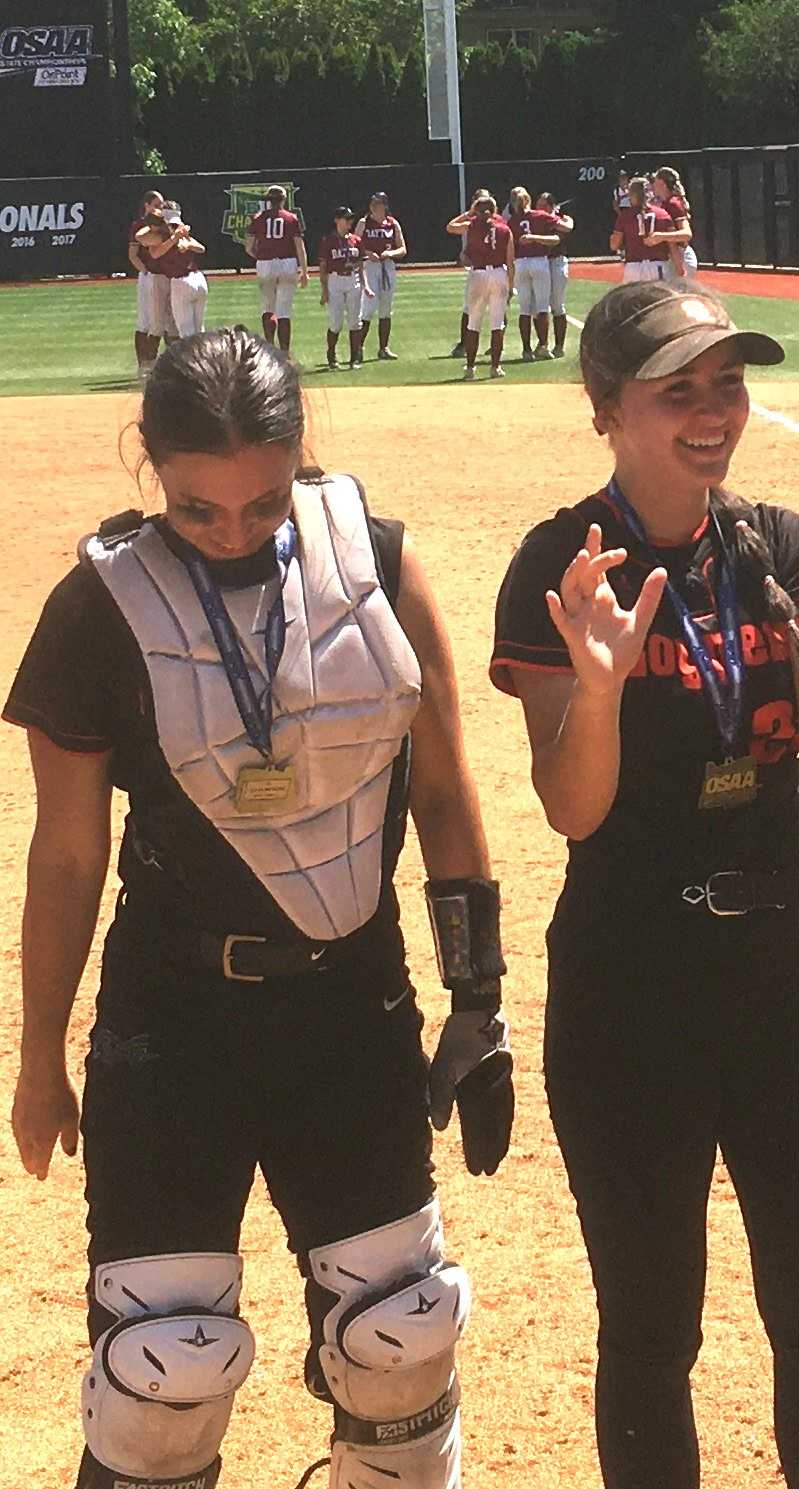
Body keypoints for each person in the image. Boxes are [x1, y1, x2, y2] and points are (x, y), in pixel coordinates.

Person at [5, 327, 514, 1489]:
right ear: (150, 465)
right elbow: (69, 853)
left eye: (263, 502)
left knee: (402, 1342)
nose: (231, 532)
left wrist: (476, 1000)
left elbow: (440, 784)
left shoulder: (375, 559)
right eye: (196, 508)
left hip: (351, 1007)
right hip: (173, 1021)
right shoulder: (98, 607)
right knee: (161, 1377)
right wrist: (41, 1057)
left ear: (302, 457)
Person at [489, 280, 799, 1489]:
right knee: (652, 1326)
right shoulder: (560, 564)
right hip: (632, 974)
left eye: (727, 383)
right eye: (678, 391)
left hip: (786, 963)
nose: (712, 413)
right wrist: (601, 686)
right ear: (607, 408)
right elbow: (573, 806)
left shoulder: (774, 542)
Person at [447, 189, 515, 381]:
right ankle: (495, 367)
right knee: (497, 324)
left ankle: (470, 368)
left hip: (478, 273)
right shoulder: (504, 228)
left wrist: (469, 212)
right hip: (498, 273)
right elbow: (510, 261)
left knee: (473, 323)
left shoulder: (472, 225)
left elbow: (451, 227)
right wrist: (510, 285)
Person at [245, 184, 309, 356]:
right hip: (287, 263)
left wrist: (259, 256)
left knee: (267, 308)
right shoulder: (291, 218)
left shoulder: (258, 218)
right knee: (284, 310)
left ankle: (269, 348)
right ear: (283, 200)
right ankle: (285, 352)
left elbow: (248, 247)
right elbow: (299, 246)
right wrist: (304, 269)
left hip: (265, 264)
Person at [508, 185, 564, 361]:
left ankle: (526, 349)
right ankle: (543, 346)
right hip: (539, 261)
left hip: (521, 263)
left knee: (525, 309)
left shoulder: (512, 221)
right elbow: (562, 231)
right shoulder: (540, 216)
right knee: (542, 306)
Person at [141, 200, 210, 342]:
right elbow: (149, 246)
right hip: (198, 280)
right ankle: (203, 360)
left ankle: (194, 362)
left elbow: (201, 248)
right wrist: (176, 239)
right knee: (199, 330)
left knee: (187, 333)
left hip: (183, 281)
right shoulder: (167, 235)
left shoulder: (176, 233)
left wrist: (187, 244)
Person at [357, 191, 408, 362]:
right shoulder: (364, 223)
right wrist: (368, 253)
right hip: (370, 266)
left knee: (386, 308)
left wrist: (390, 253)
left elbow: (403, 249)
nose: (374, 206)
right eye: (373, 203)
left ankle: (383, 348)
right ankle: (358, 347)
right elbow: (354, 245)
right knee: (368, 307)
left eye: (378, 203)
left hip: (387, 265)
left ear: (384, 205)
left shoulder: (392, 224)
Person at [316, 205, 369, 371]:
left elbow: (361, 266)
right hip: (335, 280)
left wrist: (365, 285)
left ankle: (355, 358)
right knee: (336, 322)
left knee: (355, 321)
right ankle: (332, 355)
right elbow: (323, 267)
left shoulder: (356, 240)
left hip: (353, 279)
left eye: (351, 219)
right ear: (337, 220)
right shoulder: (328, 241)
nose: (350, 222)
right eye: (346, 219)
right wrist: (324, 291)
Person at [128, 189, 173, 376]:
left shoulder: (165, 224)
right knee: (146, 322)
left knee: (169, 321)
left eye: (161, 205)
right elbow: (133, 255)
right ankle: (144, 366)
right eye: (155, 205)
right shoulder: (140, 225)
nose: (159, 209)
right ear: (146, 206)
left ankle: (170, 365)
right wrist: (145, 271)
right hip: (150, 275)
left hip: (168, 275)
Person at [538, 190, 576, 357]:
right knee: (539, 304)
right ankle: (542, 343)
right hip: (540, 261)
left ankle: (559, 346)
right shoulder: (535, 219)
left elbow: (565, 231)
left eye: (544, 206)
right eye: (538, 205)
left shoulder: (562, 219)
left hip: (557, 261)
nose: (540, 208)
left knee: (557, 304)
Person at [611, 178, 669, 284]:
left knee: (633, 299)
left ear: (632, 195)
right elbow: (672, 245)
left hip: (634, 267)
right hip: (657, 264)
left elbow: (614, 245)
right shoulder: (662, 214)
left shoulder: (625, 216)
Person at [651, 167, 699, 280]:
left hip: (682, 258)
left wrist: (661, 237)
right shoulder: (665, 203)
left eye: (655, 181)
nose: (653, 185)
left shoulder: (673, 204)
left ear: (662, 183)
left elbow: (686, 234)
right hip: (673, 258)